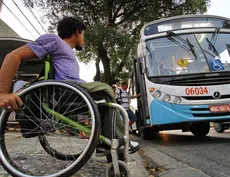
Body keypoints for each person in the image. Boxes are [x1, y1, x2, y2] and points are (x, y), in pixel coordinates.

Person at [0, 17, 139, 154]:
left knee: (103, 104)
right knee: (106, 89)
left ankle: (106, 144)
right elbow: (13, 56)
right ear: (78, 31)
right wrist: (2, 93)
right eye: (84, 34)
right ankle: (118, 140)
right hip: (66, 91)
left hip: (73, 90)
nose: (84, 39)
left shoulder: (67, 51)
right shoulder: (54, 40)